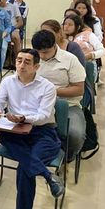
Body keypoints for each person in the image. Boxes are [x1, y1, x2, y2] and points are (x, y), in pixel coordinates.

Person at [0, 49, 65, 209]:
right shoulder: (8, 81)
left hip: (42, 131)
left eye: (27, 62)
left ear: (36, 66)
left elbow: (43, 116)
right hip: (16, 130)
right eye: (19, 60)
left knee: (25, 168)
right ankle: (48, 176)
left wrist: (24, 117)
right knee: (4, 136)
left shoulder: (47, 87)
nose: (21, 65)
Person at [31, 30, 86, 161]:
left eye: (45, 52)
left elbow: (79, 90)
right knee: (18, 127)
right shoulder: (31, 58)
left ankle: (66, 158)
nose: (42, 56)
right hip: (35, 104)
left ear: (54, 46)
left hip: (68, 104)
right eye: (38, 52)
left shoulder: (70, 59)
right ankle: (34, 155)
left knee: (75, 135)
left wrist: (50, 90)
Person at [0, 0, 23, 65]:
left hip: (12, 29)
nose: (2, 0)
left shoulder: (13, 7)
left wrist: (12, 28)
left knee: (15, 37)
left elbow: (20, 22)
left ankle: (18, 60)